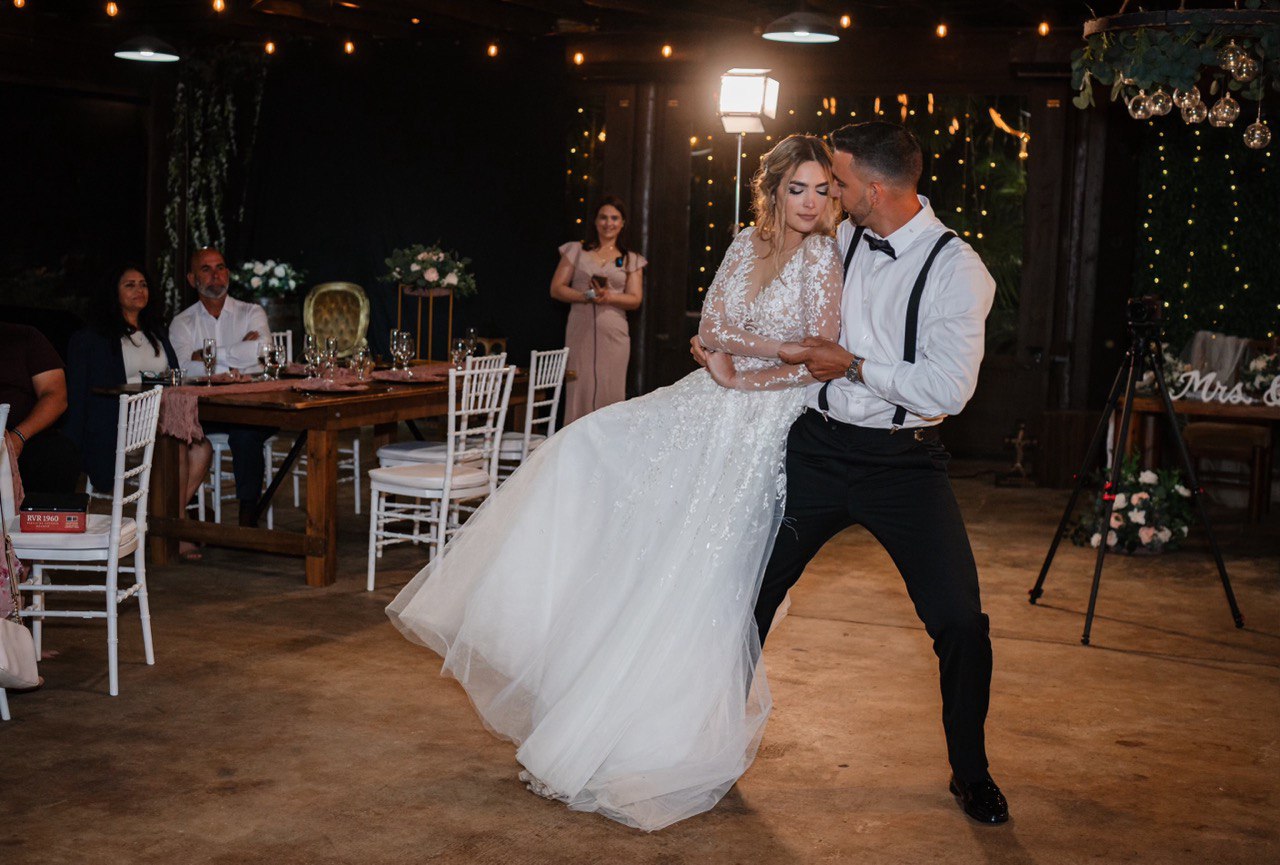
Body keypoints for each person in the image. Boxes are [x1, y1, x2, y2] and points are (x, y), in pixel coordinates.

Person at [388, 135, 843, 831]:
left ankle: (671, 737)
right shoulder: (743, 244)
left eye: (822, 190)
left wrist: (746, 370)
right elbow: (712, 324)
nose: (810, 203)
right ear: (774, 189)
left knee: (703, 574)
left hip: (763, 423)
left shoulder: (824, 257)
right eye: (798, 188)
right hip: (707, 400)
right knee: (583, 451)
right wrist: (739, 360)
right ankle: (575, 682)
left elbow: (818, 358)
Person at [742, 121, 1008, 825]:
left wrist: (854, 365)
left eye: (840, 181)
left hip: (903, 464)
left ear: (877, 189)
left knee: (960, 621)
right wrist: (723, 339)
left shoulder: (958, 270)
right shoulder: (839, 238)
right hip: (816, 450)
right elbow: (773, 300)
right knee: (745, 594)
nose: (830, 191)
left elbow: (948, 389)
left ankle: (971, 772)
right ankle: (705, 743)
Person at [65, 264, 214, 559]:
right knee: (176, 445)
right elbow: (79, 394)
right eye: (130, 285)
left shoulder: (156, 333)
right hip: (118, 425)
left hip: (160, 421)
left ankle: (163, 525)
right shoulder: (93, 339)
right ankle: (174, 530)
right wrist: (73, 443)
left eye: (143, 284)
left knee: (201, 449)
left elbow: (174, 378)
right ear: (114, 292)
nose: (139, 290)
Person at [168, 247, 273, 527]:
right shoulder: (182, 323)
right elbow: (183, 368)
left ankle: (248, 517)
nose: (216, 275)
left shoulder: (251, 312)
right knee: (178, 432)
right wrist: (237, 356)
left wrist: (207, 356)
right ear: (192, 279)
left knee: (247, 433)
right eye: (206, 269)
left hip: (252, 405)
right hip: (206, 411)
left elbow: (263, 353)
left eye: (221, 267)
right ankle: (182, 510)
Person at [550, 196, 646, 424]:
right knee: (579, 387)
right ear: (595, 221)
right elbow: (556, 288)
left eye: (614, 218)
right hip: (580, 329)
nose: (608, 223)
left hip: (613, 333)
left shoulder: (630, 259)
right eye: (603, 217)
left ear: (622, 223)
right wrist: (586, 296)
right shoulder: (576, 250)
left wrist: (609, 296)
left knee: (610, 390)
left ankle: (609, 441)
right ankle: (575, 441)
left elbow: (635, 299)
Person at [0, 322, 79, 495]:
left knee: (59, 454)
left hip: (22, 435)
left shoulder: (23, 337)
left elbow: (56, 395)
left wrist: (18, 437)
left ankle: (42, 513)